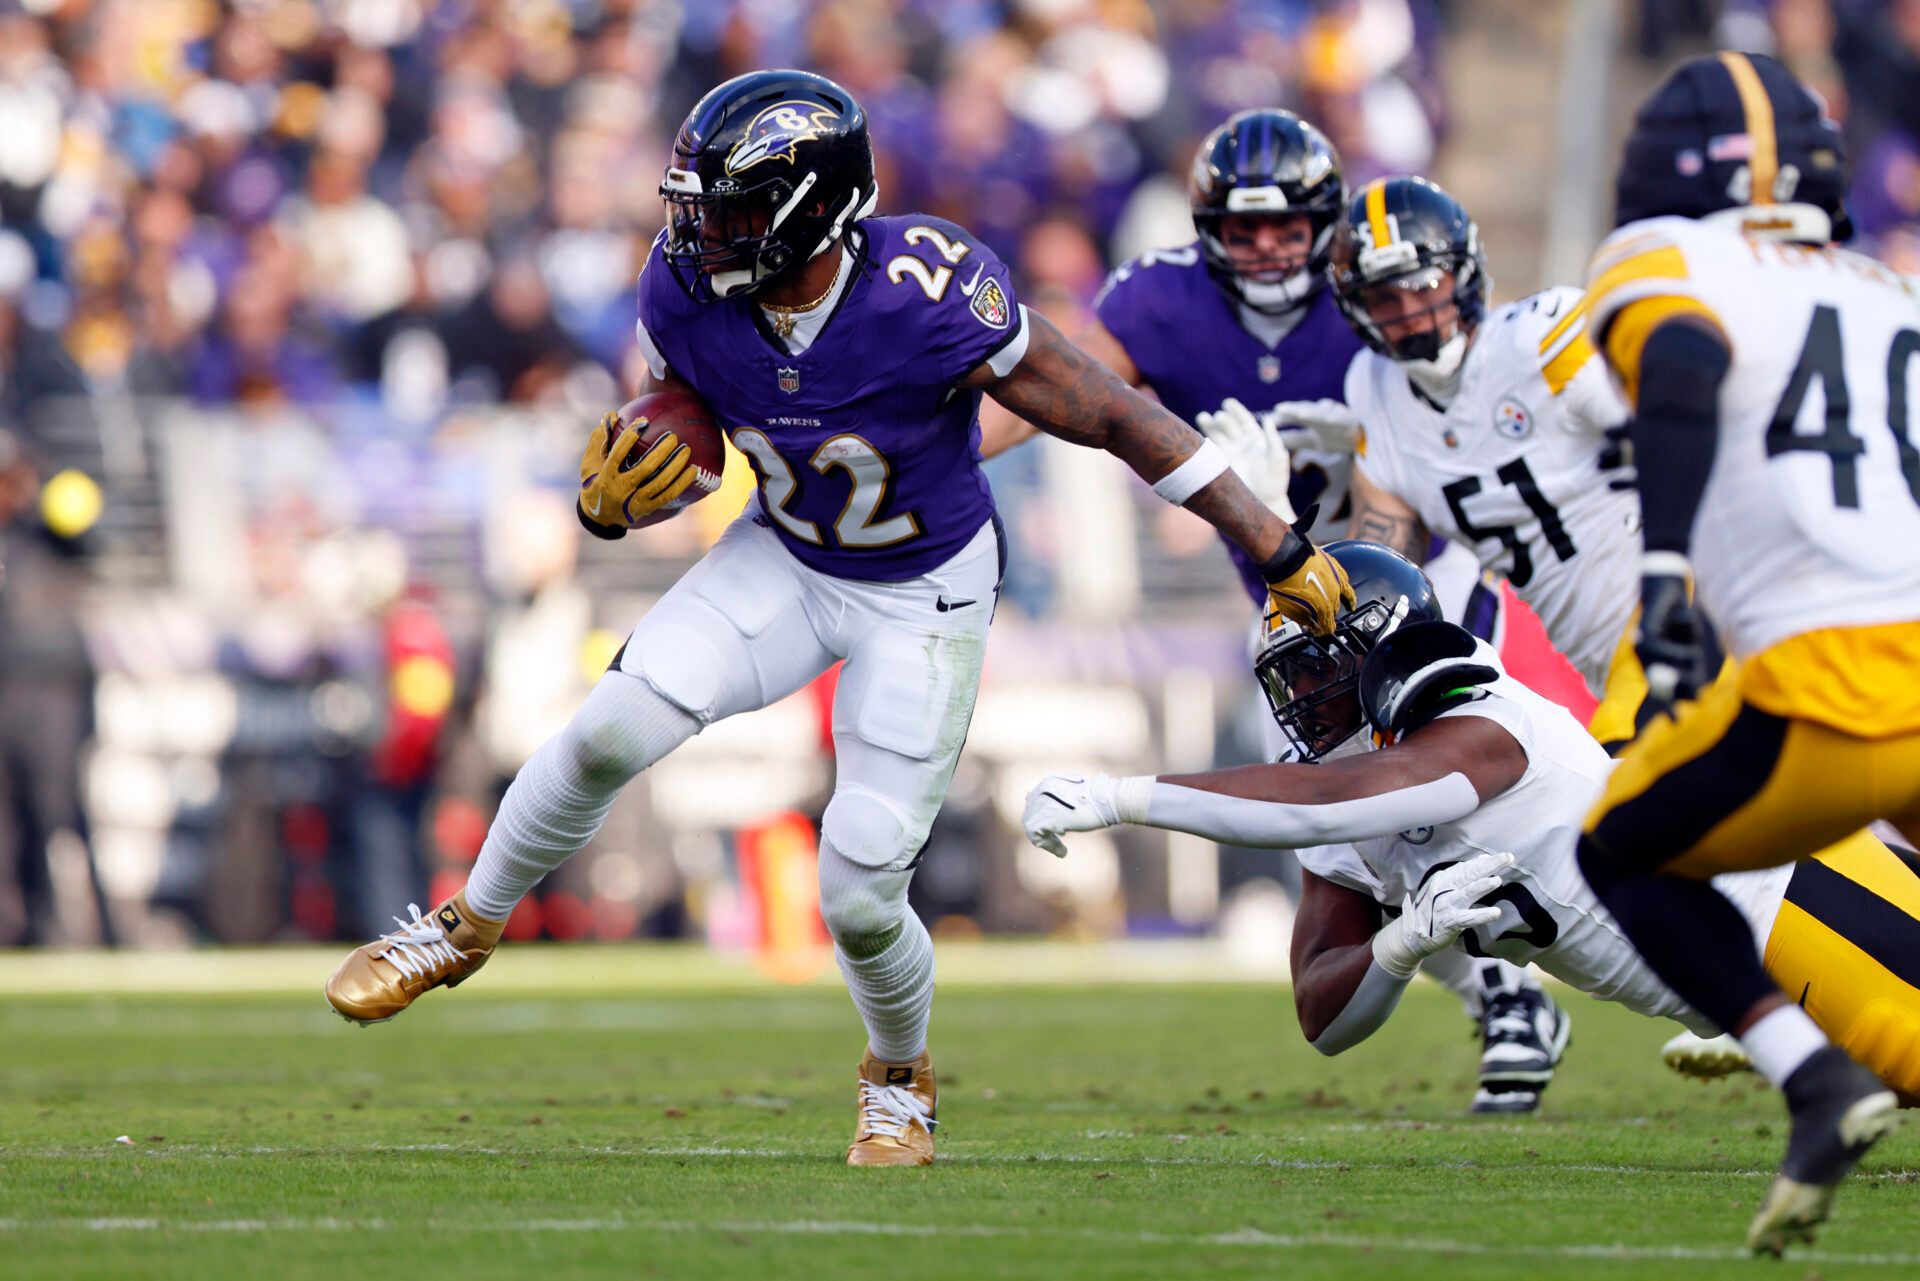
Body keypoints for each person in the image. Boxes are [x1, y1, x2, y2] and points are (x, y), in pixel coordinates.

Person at [323, 70, 1354, 1168]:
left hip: (924, 587)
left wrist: (1275, 544)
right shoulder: (682, 285)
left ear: (812, 209)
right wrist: (618, 498)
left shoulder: (926, 288)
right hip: (784, 551)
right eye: (696, 207)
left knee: (859, 888)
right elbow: (688, 422)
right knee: (610, 728)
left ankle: (898, 1077)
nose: (699, 234)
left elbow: (1105, 408)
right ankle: (463, 924)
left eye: (730, 211)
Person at [986, 111, 1558, 1113]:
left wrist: (1357, 480)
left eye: (1287, 226)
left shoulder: (1369, 289)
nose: (1265, 247)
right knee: (1349, 834)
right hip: (1295, 623)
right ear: (1208, 230)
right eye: (1244, 229)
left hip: (1422, 581)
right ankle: (1497, 990)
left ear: (1324, 225)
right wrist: (932, 450)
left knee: (1431, 792)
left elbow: (1459, 407)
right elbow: (1059, 387)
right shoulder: (1159, 302)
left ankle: (1533, 980)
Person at [1018, 543, 1920, 1126]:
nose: (1303, 700)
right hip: (1726, 971)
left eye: (1319, 671)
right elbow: (1321, 1015)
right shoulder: (1346, 792)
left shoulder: (1479, 725)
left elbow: (1328, 803)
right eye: (1289, 681)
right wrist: (1399, 948)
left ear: (1384, 653)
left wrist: (1121, 795)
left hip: (1789, 904)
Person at [1572, 51, 1920, 1254]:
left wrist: (1666, 569)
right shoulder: (1888, 288)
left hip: (1834, 686)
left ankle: (1815, 1080)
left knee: (1619, 849)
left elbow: (1682, 365)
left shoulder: (1669, 259)